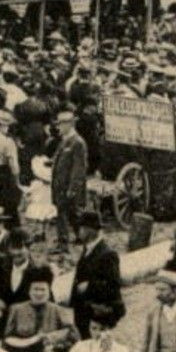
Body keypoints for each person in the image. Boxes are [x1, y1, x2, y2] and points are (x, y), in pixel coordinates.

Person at [70, 210, 123, 340]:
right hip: (83, 311)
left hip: (98, 315)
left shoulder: (107, 254)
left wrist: (89, 286)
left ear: (91, 230)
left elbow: (113, 285)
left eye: (81, 228)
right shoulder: (88, 248)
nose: (79, 231)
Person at [51, 110, 89, 248]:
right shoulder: (64, 140)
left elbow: (79, 168)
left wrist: (73, 188)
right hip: (61, 184)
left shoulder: (77, 143)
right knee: (70, 213)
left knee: (66, 213)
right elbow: (58, 159)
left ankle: (63, 242)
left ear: (69, 125)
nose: (58, 127)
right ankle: (79, 236)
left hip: (68, 185)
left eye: (61, 124)